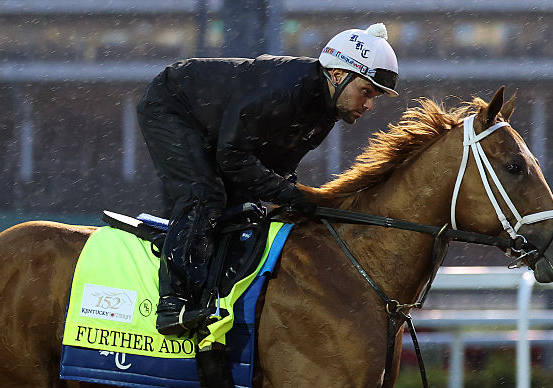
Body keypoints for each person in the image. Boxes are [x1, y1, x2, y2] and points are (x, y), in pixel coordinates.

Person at [137, 23, 399, 336]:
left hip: (213, 128)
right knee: (205, 195)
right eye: (366, 92)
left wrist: (296, 198)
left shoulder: (326, 109)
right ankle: (173, 303)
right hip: (171, 105)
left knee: (242, 210)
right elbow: (232, 159)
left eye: (375, 97)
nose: (369, 105)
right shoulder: (285, 90)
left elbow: (278, 169)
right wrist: (295, 195)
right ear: (338, 75)